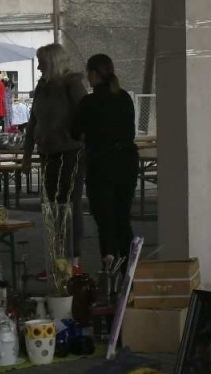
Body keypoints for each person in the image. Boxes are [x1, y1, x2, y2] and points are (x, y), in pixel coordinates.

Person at [70, 54, 138, 271]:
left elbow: (74, 132)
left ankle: (109, 273)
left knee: (105, 223)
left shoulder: (89, 102)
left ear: (93, 74)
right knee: (122, 219)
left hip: (101, 166)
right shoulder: (125, 97)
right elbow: (130, 131)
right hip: (127, 163)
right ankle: (129, 272)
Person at [22, 43, 88, 254]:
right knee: (50, 206)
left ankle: (72, 257)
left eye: (41, 62)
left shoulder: (72, 85)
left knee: (68, 204)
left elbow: (86, 116)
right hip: (47, 152)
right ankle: (56, 257)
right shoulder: (43, 85)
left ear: (52, 62)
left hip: (70, 152)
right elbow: (33, 120)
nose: (39, 67)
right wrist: (27, 153)